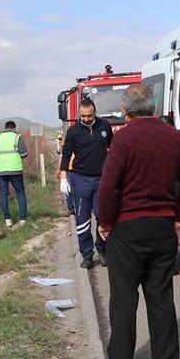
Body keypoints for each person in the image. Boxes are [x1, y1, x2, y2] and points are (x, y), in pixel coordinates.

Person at [92, 85, 180, 359]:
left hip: (127, 229)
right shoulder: (174, 137)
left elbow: (109, 187)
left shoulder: (123, 138)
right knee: (161, 296)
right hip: (163, 227)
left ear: (125, 112)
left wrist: (106, 222)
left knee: (124, 299)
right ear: (153, 108)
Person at [59, 98, 112, 268]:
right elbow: (66, 154)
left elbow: (114, 149)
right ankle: (87, 255)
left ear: (95, 112)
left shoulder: (105, 127)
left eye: (90, 115)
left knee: (102, 216)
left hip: (102, 179)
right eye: (83, 116)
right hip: (80, 179)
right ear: (79, 114)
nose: (87, 118)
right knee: (82, 219)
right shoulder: (74, 132)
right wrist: (63, 177)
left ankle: (102, 249)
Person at [0, 120, 28, 227]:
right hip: (15, 169)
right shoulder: (17, 137)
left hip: (0, 170)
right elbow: (24, 153)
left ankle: (7, 219)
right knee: (20, 193)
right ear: (13, 128)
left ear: (5, 128)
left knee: (3, 194)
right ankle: (23, 219)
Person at [55, 130, 75, 217]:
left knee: (74, 190)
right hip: (70, 169)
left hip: (77, 169)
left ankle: (74, 208)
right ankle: (71, 209)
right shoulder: (66, 145)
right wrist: (60, 170)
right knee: (69, 190)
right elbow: (63, 157)